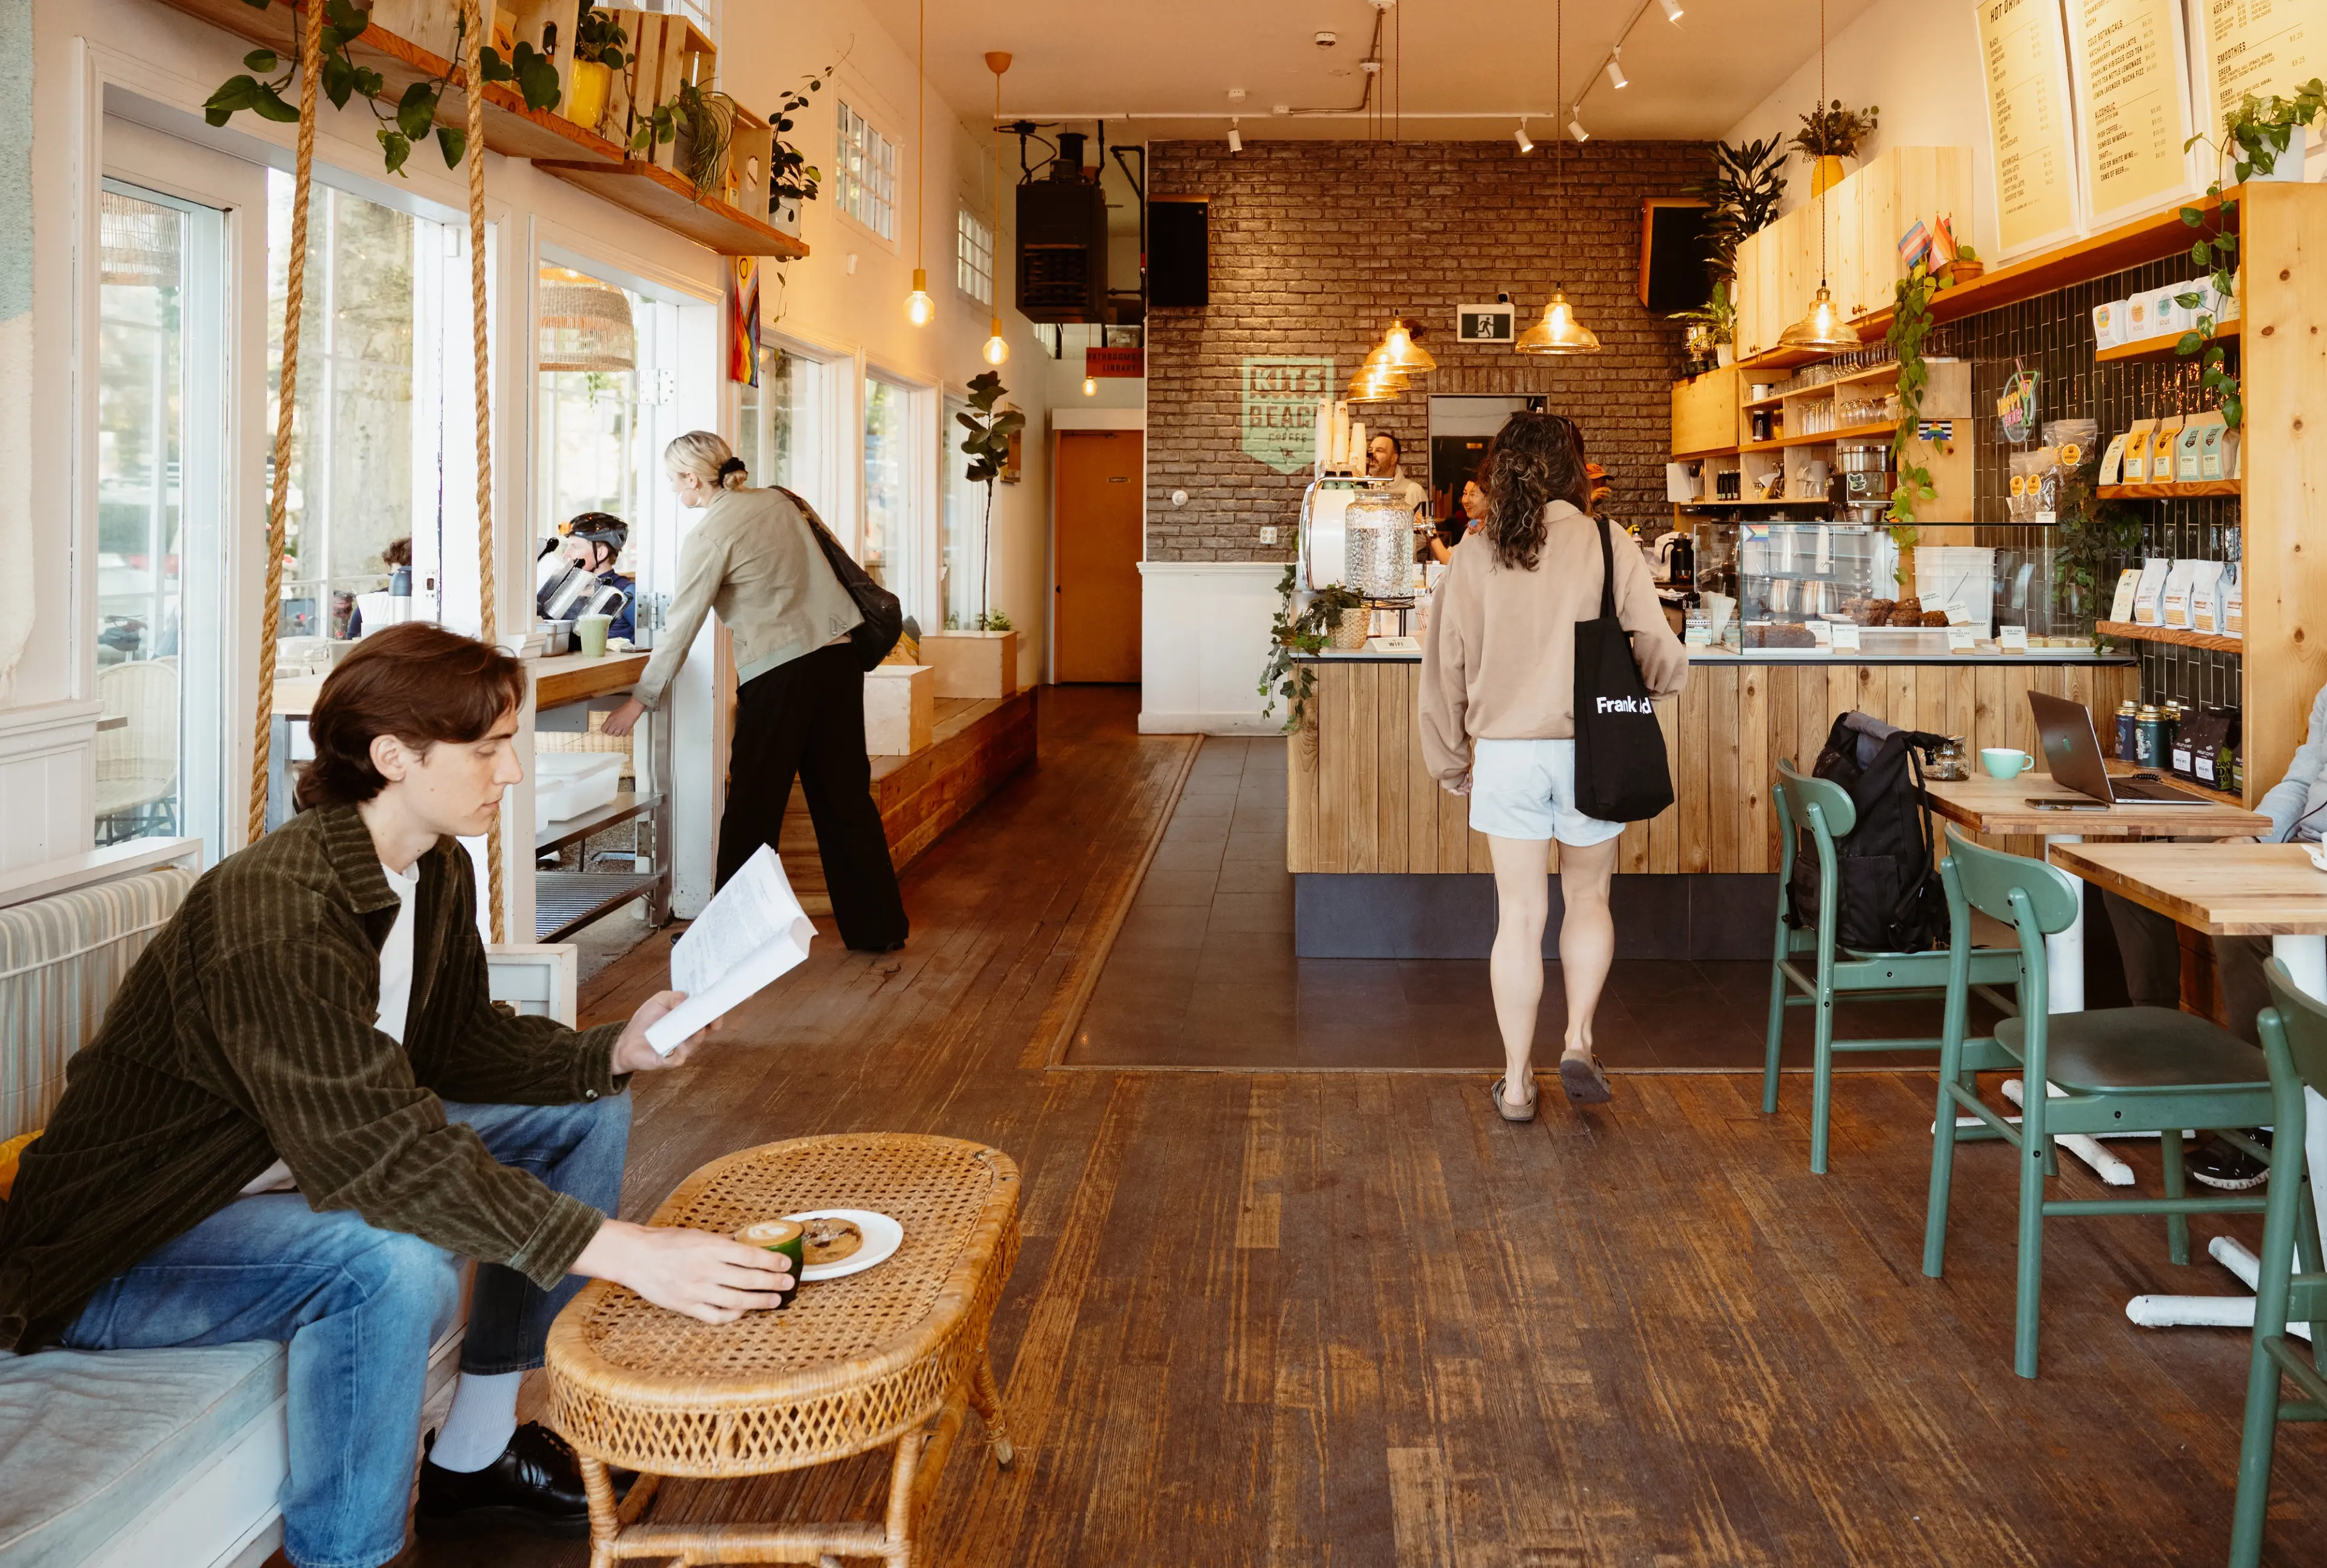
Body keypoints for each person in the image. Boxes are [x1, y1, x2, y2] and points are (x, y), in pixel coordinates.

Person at [0, 623, 793, 1567]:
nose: (511, 771)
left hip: (275, 1173)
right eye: (490, 747)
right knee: (389, 1264)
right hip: (128, 1243)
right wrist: (630, 1254)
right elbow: (381, 1155)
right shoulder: (278, 909)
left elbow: (454, 1043)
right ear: (392, 757)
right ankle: (349, 1556)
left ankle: (476, 1453)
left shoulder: (434, 866)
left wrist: (610, 1050)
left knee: (583, 1110)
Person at [1419, 414, 1688, 1117]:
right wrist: (1655, 687)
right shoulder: (1607, 540)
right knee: (1589, 900)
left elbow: (1443, 669)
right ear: (1574, 467)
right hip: (1593, 748)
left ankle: (1514, 1082)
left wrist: (1452, 762)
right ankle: (1576, 1039)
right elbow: (1655, 645)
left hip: (1506, 755)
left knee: (1519, 915)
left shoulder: (1475, 554)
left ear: (1501, 469)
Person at [603, 432, 908, 952]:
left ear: (694, 480)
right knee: (845, 800)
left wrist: (642, 697)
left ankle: (732, 942)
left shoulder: (709, 536)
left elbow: (681, 623)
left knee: (752, 807)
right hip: (837, 662)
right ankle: (878, 930)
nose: (677, 492)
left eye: (675, 482)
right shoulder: (778, 500)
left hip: (780, 672)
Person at [2102, 680, 2327, 1188]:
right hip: (2296, 852)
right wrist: (2254, 834)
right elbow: (2299, 781)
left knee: (2242, 931)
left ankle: (2261, 1119)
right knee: (2131, 883)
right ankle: (2156, 1064)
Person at [537, 513, 639, 642]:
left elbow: (651, 642)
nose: (566, 554)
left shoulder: (627, 592)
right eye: (568, 546)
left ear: (601, 554)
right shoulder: (565, 590)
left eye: (576, 547)